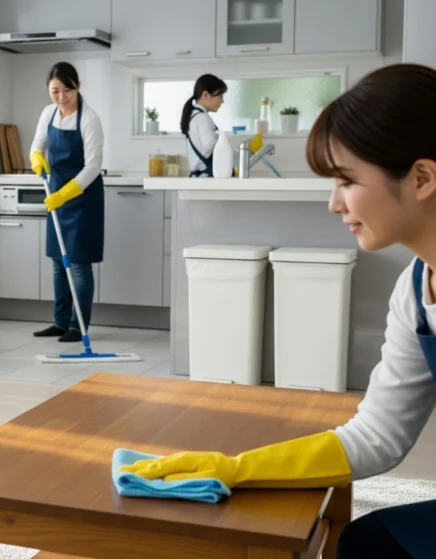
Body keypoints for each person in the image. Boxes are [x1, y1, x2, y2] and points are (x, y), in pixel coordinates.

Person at [117, 63, 436, 558]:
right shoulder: (415, 290)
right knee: (368, 545)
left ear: (420, 178)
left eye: (346, 181)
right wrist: (237, 468)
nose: (333, 203)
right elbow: (377, 436)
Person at [28, 61, 105, 343]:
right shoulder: (48, 114)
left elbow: (93, 167)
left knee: (79, 264)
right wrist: (36, 158)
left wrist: (64, 194)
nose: (61, 97)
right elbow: (37, 146)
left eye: (67, 90)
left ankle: (78, 325)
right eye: (55, 91)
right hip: (56, 194)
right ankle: (60, 322)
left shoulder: (89, 120)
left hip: (83, 198)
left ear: (78, 87)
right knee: (58, 263)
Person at [181, 74, 227, 177]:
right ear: (206, 95)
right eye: (220, 96)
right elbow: (209, 146)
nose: (222, 101)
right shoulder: (203, 118)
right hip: (205, 178)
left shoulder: (194, 115)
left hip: (199, 178)